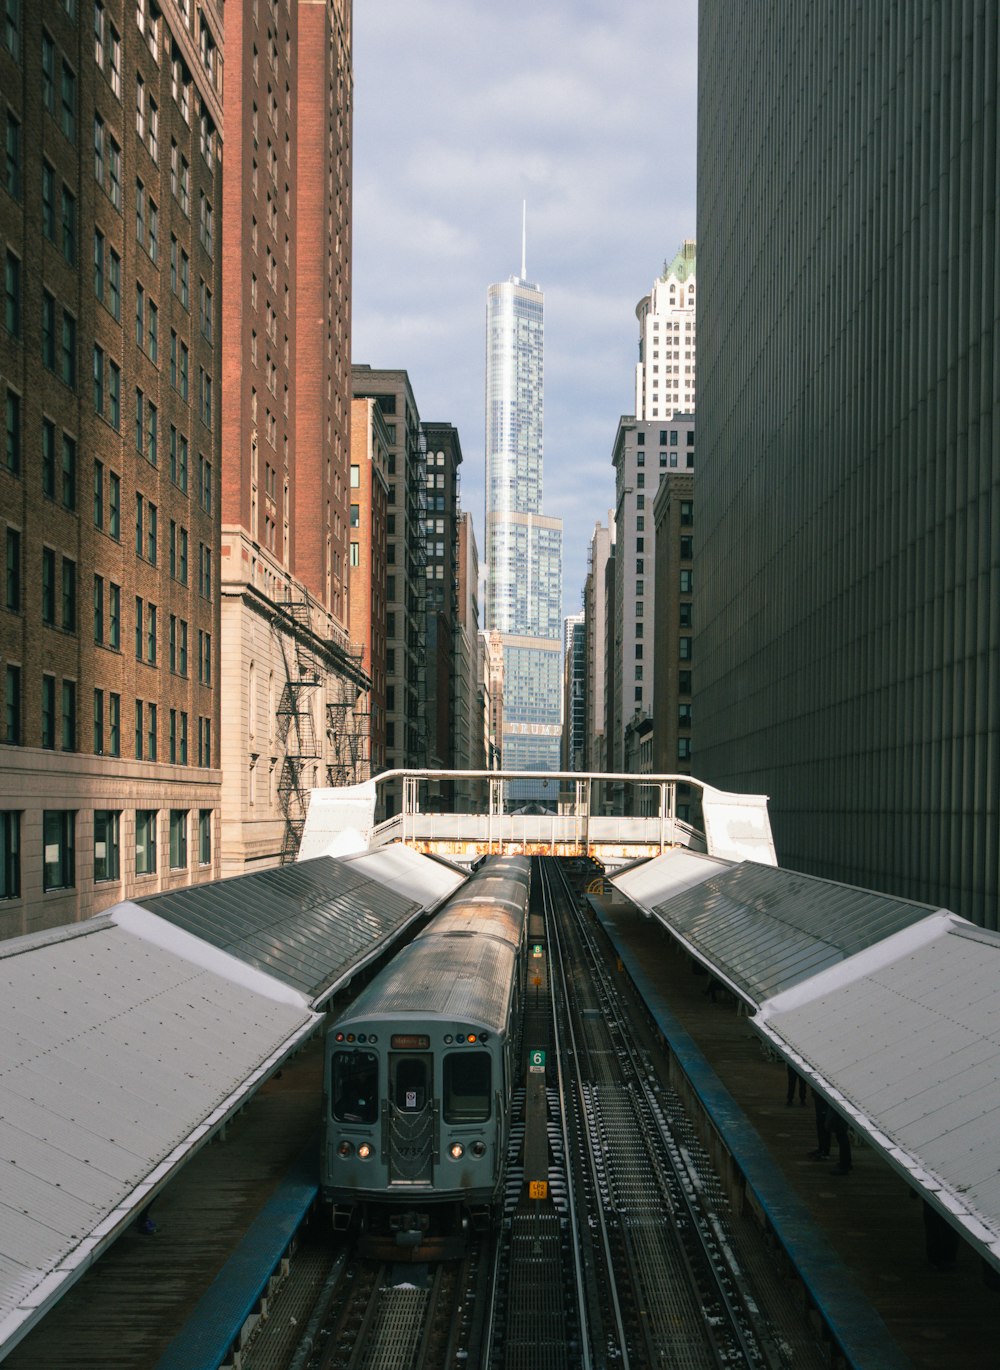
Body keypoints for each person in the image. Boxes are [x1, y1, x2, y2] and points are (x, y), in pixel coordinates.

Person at [807, 1089, 831, 1160]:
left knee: (824, 1127)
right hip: (819, 1099)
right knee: (820, 1125)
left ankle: (825, 1151)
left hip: (823, 1100)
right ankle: (821, 1148)